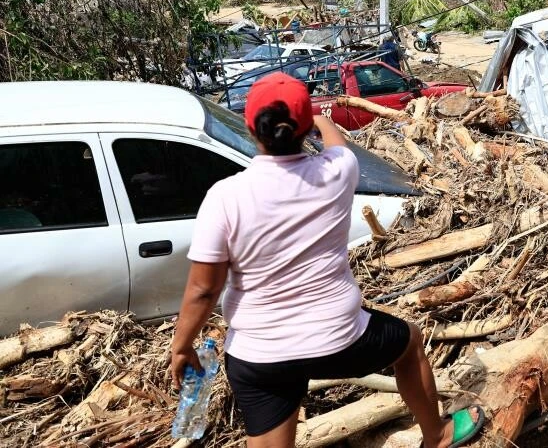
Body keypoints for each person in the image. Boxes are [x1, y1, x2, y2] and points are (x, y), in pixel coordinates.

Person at [168, 73, 484, 448]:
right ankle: (437, 434)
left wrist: (182, 346)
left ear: (251, 128)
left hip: (259, 355)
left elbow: (205, 289)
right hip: (339, 342)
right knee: (410, 341)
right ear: (302, 130)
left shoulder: (224, 197)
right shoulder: (337, 171)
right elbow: (339, 143)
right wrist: (321, 119)